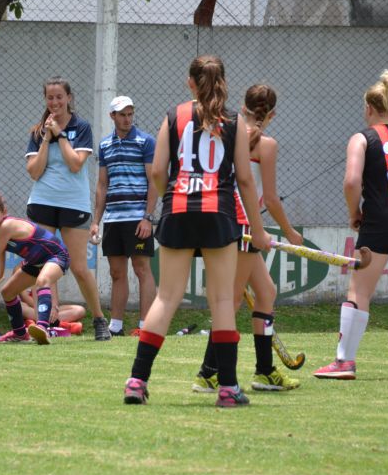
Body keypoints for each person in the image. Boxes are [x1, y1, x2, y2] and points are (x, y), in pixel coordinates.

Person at [122, 55, 270, 409]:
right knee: (221, 299)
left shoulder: (174, 116)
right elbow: (245, 179)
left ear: (190, 82)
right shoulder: (234, 121)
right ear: (223, 82)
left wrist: (170, 193)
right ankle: (228, 388)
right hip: (218, 214)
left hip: (177, 209)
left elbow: (158, 171)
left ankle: (137, 381)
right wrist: (259, 230)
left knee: (166, 298)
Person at [314, 70, 388, 381]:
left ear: (369, 108)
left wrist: (354, 212)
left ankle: (344, 362)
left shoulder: (362, 138)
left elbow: (352, 181)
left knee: (360, 289)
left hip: (379, 220)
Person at [192, 84, 302, 393]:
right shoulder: (266, 144)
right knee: (233, 299)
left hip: (230, 223)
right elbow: (272, 198)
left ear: (243, 106)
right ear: (272, 114)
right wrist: (290, 232)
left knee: (266, 292)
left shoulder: (227, 132)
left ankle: (264, 371)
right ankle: (208, 372)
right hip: (242, 226)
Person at [25, 77, 111, 341]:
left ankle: (99, 320)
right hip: (42, 202)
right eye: (50, 98)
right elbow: (34, 172)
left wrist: (60, 136)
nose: (54, 102)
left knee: (78, 267)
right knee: (43, 264)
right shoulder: (38, 130)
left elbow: (75, 164)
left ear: (69, 98)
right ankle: (46, 321)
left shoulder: (80, 127)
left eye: (59, 97)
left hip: (73, 205)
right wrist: (45, 139)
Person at [0, 191, 70, 345]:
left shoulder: (6, 226)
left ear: (3, 212)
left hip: (56, 255)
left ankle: (43, 328)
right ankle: (20, 333)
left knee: (43, 280)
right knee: (8, 292)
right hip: (35, 262)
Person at [89, 95, 157, 337]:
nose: (127, 119)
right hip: (114, 219)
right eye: (122, 114)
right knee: (116, 272)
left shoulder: (146, 141)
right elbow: (102, 185)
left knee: (142, 269)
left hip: (138, 217)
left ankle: (146, 326)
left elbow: (154, 181)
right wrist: (96, 220)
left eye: (130, 114)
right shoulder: (105, 145)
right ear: (112, 116)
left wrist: (147, 217)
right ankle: (115, 326)